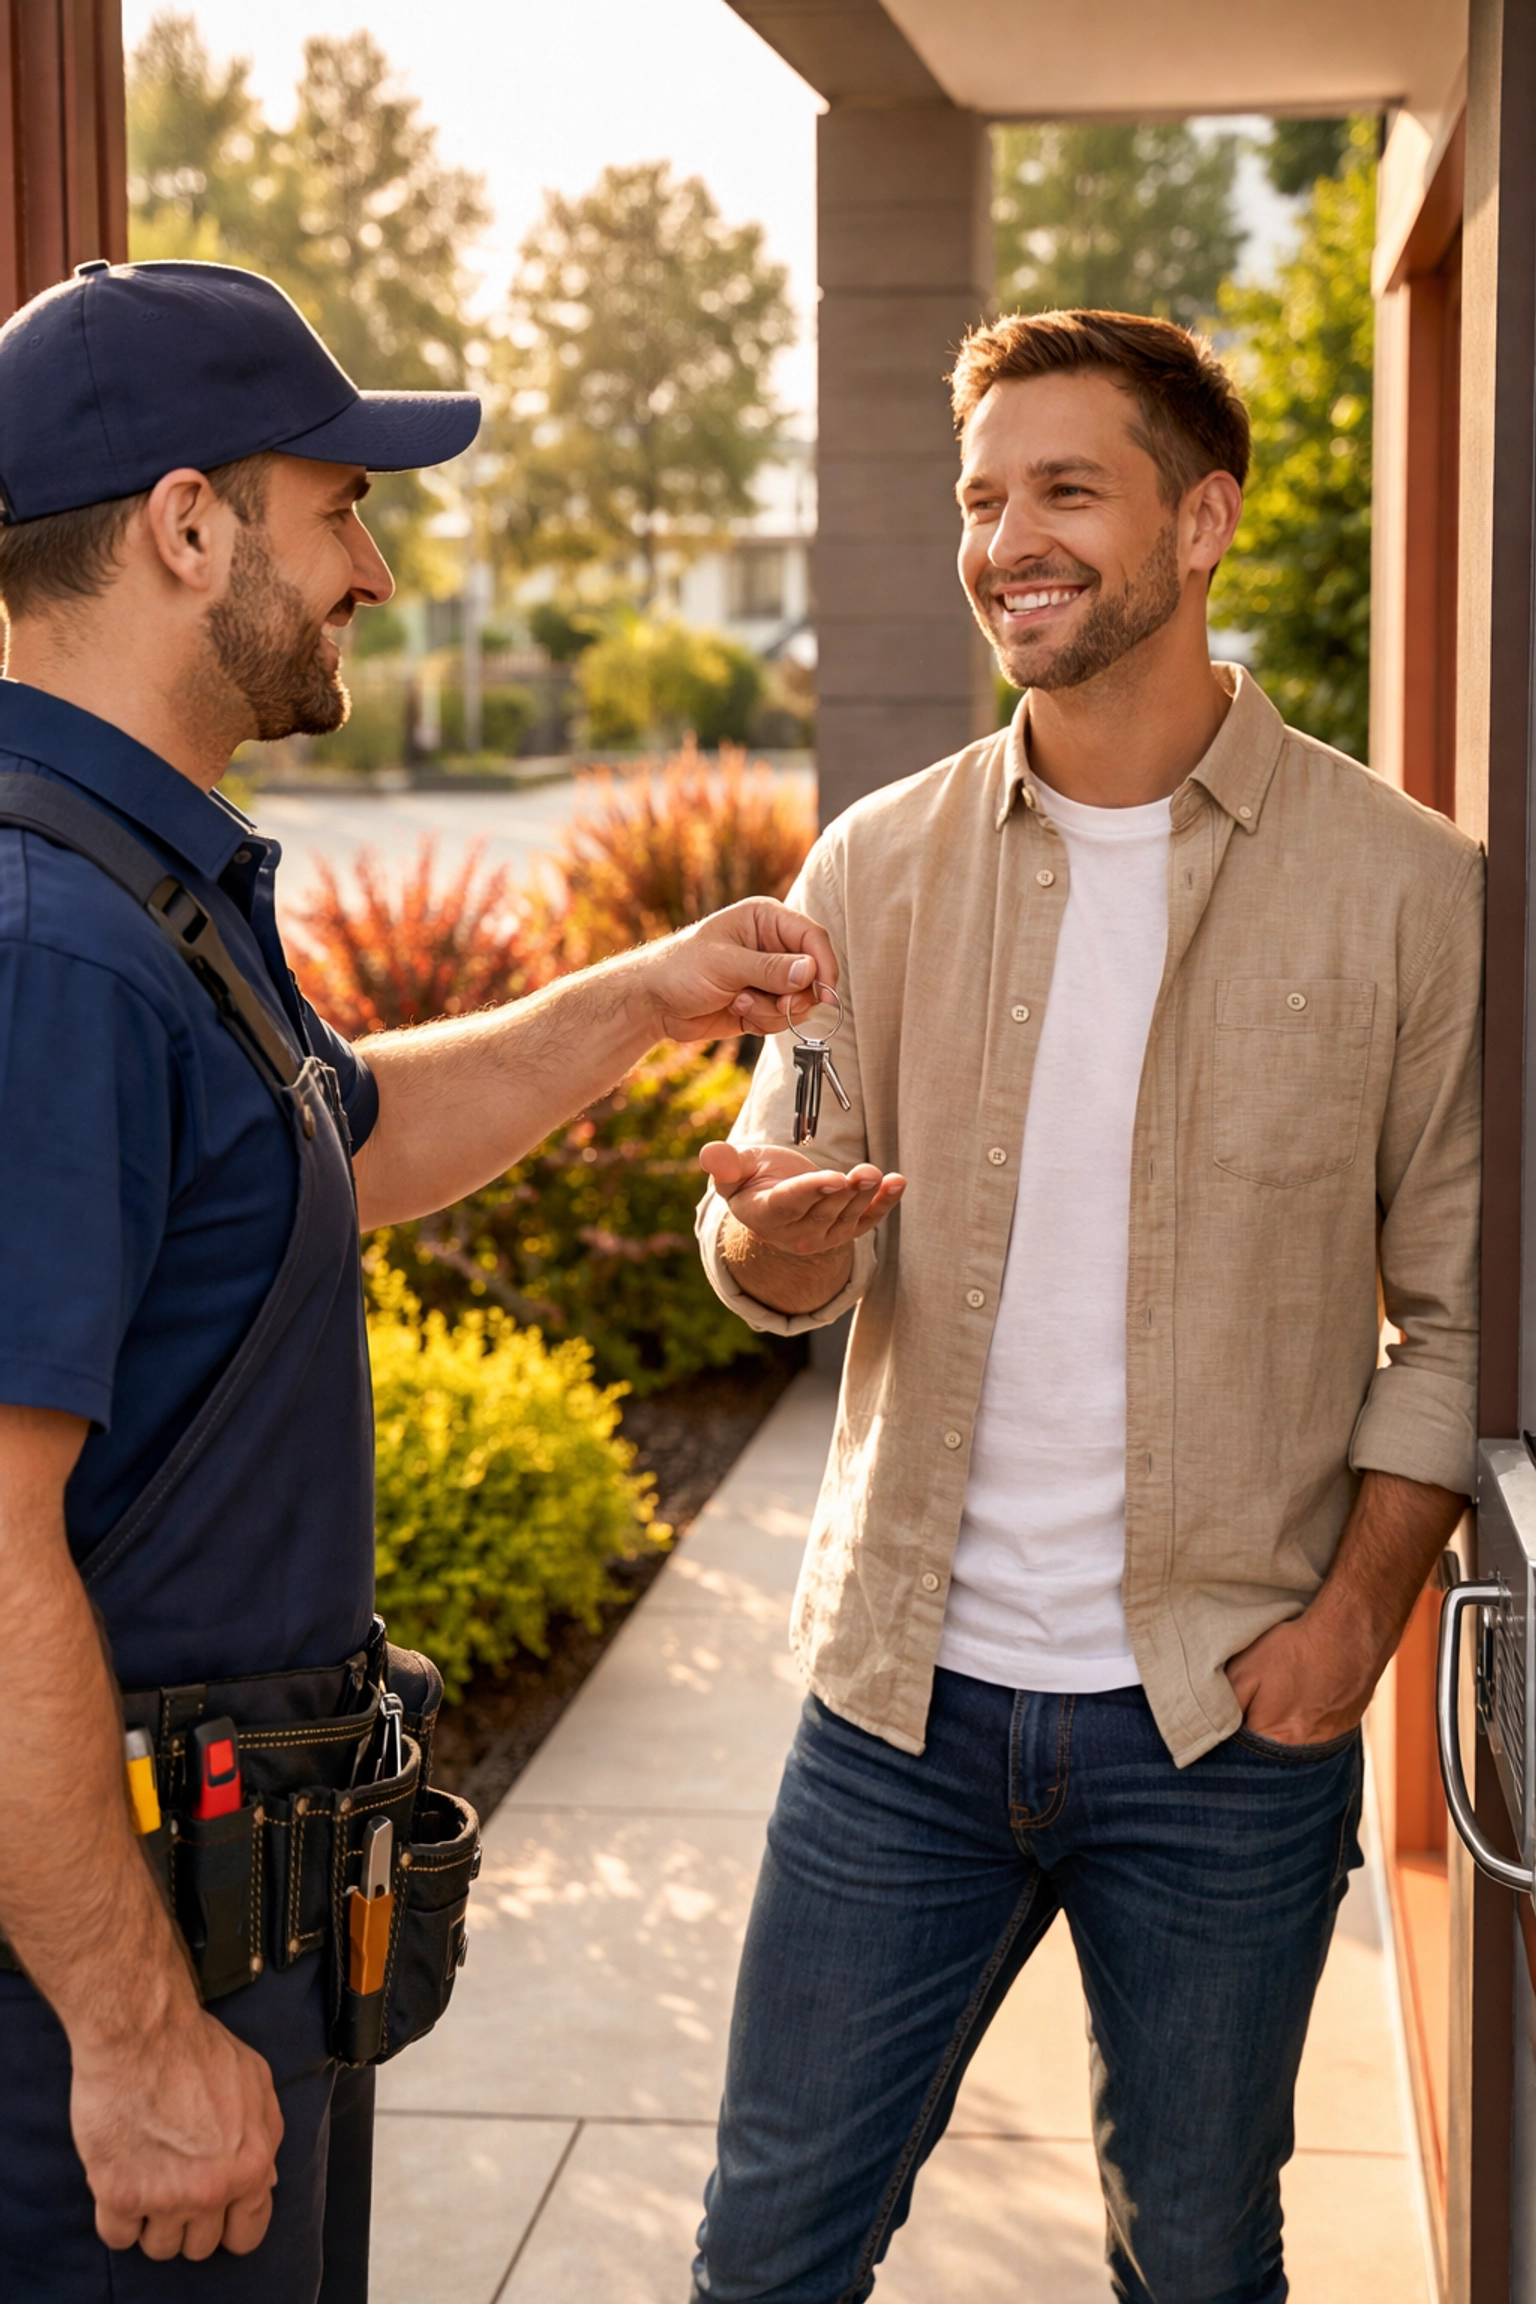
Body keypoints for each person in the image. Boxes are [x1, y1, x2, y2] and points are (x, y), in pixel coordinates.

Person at [0, 258, 835, 2302]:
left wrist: (644, 999)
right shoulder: (50, 945)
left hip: (242, 1926)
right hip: (103, 2012)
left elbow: (338, 1142)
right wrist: (130, 2038)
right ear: (192, 528)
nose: (371, 565)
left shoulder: (146, 884)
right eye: (337, 505)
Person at [692, 309, 1481, 2304]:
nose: (1006, 539)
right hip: (899, 1708)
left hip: (1220, 1722)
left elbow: (1462, 1318)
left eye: (1064, 489)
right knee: (770, 2250)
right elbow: (777, 1245)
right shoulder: (877, 865)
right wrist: (778, 1246)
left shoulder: (1414, 895)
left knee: (1202, 2253)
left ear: (1202, 519)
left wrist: (1346, 1632)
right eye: (982, 497)